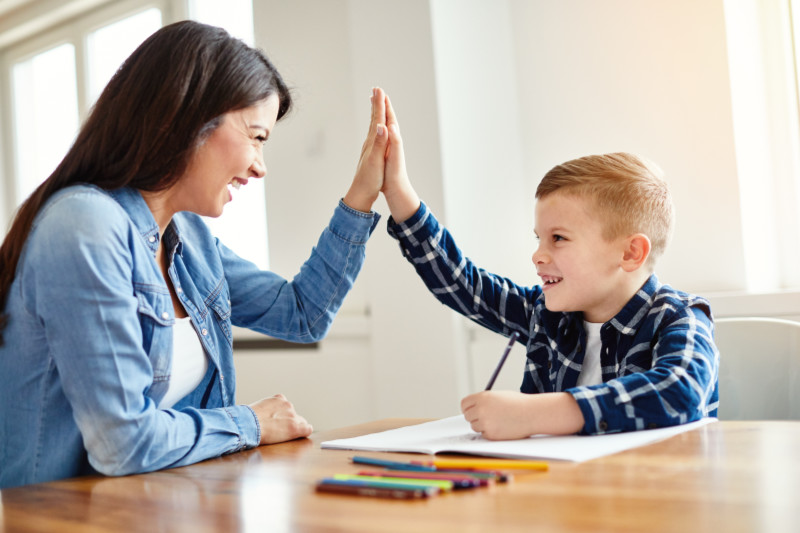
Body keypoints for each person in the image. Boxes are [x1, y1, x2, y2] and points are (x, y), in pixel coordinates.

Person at [0, 21, 391, 488]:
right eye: (256, 136)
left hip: (157, 506)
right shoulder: (84, 226)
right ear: (186, 119)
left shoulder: (188, 239)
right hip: (55, 517)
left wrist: (362, 194)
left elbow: (302, 314)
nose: (259, 166)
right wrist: (250, 422)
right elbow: (124, 442)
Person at [378, 98, 719, 439]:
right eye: (538, 238)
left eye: (558, 238)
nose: (537, 256)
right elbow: (463, 284)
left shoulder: (679, 317)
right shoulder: (546, 313)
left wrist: (534, 414)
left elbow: (680, 391)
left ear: (630, 253)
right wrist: (398, 193)